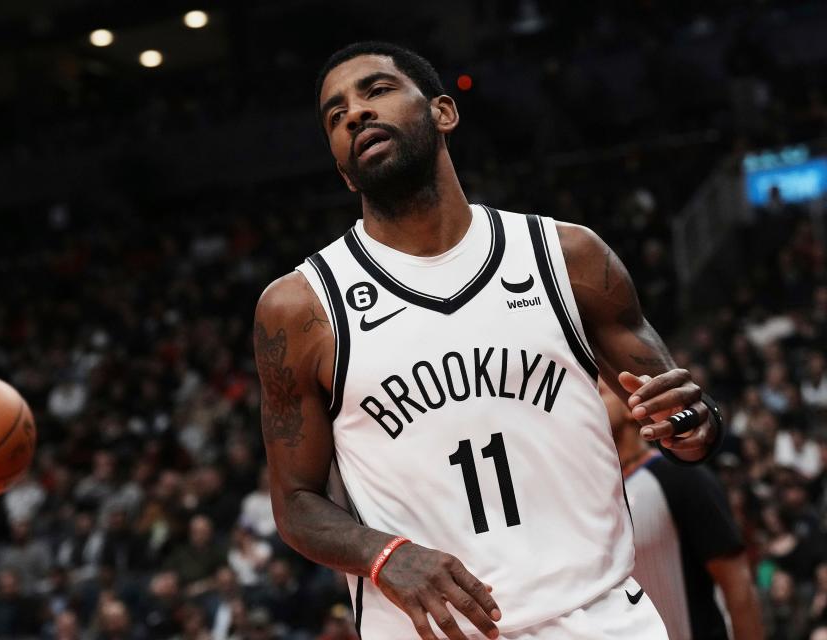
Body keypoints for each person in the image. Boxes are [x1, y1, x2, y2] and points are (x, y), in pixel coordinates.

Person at [253, 41, 724, 640]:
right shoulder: (301, 308)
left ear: (443, 112)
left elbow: (686, 425)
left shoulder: (568, 257)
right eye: (335, 114)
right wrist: (385, 554)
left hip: (600, 619)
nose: (355, 113)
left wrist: (693, 422)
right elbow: (295, 503)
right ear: (344, 170)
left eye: (377, 90)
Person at [600, 379, 763, 639]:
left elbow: (737, 583)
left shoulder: (681, 476)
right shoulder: (594, 496)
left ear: (633, 410)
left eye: (600, 392)